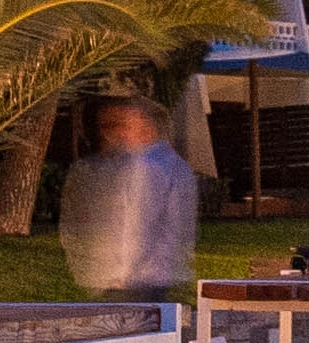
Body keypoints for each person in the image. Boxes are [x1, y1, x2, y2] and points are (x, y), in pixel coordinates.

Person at [60, 90, 202, 298]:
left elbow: (139, 227)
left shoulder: (151, 167)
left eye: (118, 125)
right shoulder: (163, 164)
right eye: (105, 126)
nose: (109, 134)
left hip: (136, 282)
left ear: (146, 126)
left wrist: (123, 274)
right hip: (133, 279)